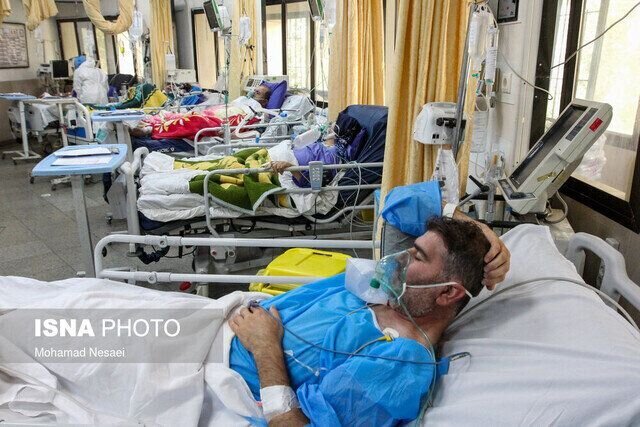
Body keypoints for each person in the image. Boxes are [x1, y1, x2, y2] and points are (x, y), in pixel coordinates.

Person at [229, 216, 510, 425]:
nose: (398, 259)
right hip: (231, 319)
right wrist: (482, 231)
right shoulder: (391, 294)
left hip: (230, 375)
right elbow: (401, 202)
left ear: (447, 292)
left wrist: (265, 347)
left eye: (417, 257)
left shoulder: (398, 364)